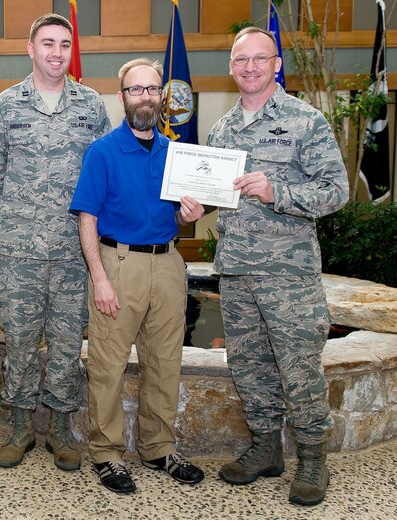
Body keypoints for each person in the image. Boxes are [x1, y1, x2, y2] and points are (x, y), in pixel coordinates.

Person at [208, 27, 349, 506]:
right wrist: (192, 206)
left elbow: (336, 191)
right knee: (248, 364)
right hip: (237, 270)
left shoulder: (305, 121)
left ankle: (313, 458)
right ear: (231, 67)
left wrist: (279, 193)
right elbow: (215, 194)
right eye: (240, 59)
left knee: (298, 365)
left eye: (259, 58)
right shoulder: (221, 129)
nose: (249, 67)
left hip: (289, 274)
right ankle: (265, 447)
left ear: (276, 64)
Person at [0, 13, 110, 471]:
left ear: (71, 52)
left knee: (68, 341)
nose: (56, 52)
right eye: (47, 43)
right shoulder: (6, 107)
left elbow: (102, 174)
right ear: (30, 49)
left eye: (64, 44)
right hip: (22, 252)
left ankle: (59, 427)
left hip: (75, 252)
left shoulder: (91, 107)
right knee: (20, 339)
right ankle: (19, 427)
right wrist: (20, 213)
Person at [70, 58, 206, 494]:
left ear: (161, 96)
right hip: (118, 265)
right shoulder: (103, 152)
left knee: (165, 363)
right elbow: (86, 218)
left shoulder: (177, 154)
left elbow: (181, 216)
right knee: (108, 366)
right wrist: (100, 278)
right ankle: (107, 454)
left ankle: (157, 447)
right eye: (136, 90)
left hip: (167, 265)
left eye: (152, 89)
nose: (145, 97)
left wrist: (191, 215)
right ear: (121, 97)